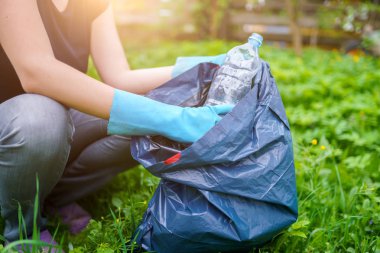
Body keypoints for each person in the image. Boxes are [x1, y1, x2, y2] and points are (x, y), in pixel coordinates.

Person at [0, 0, 231, 249]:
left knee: (142, 121)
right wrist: (169, 118)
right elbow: (36, 71)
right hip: (19, 122)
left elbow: (119, 78)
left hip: (54, 120)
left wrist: (205, 65)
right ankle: (23, 229)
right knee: (41, 119)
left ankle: (48, 196)